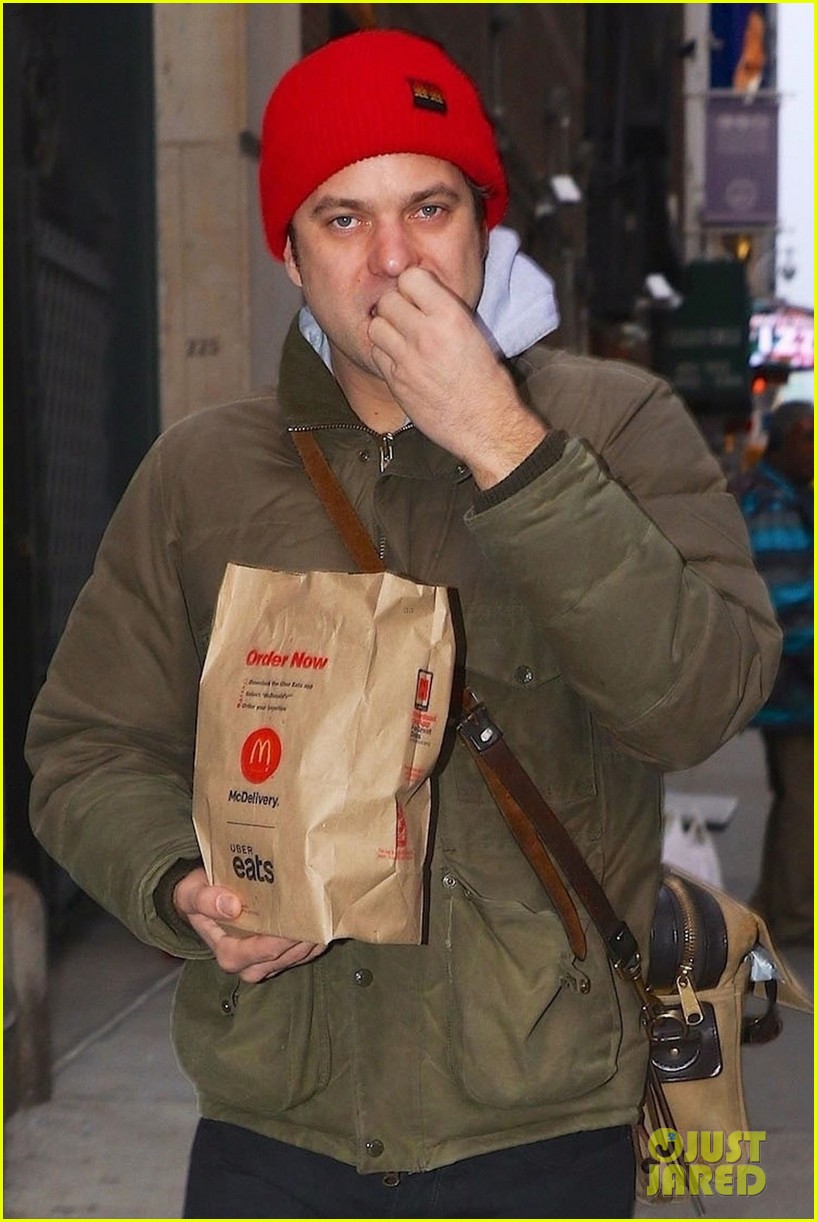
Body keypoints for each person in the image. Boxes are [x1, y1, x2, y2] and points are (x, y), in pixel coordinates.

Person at [26, 29, 781, 1220]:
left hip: (542, 1126)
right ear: (287, 249)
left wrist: (507, 448)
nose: (393, 259)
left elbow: (698, 698)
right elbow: (84, 748)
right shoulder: (200, 473)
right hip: (276, 1125)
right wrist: (177, 882)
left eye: (429, 206)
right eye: (342, 219)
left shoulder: (614, 426)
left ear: (483, 221)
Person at [735, 400, 813, 945]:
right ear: (788, 441)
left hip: (783, 684)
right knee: (805, 801)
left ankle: (772, 902)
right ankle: (795, 917)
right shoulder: (771, 503)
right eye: (808, 439)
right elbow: (790, 604)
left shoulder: (774, 495)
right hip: (794, 684)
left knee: (795, 796)